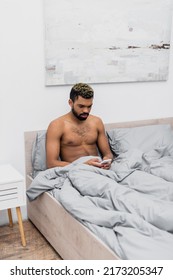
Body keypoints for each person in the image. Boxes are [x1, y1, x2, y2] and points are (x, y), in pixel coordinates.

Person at [46, 83, 113, 169]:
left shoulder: (97, 122)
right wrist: (83, 165)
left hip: (98, 170)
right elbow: (51, 163)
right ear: (71, 103)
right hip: (75, 171)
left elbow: (108, 154)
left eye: (89, 106)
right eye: (81, 106)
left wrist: (107, 161)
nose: (86, 110)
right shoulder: (57, 125)